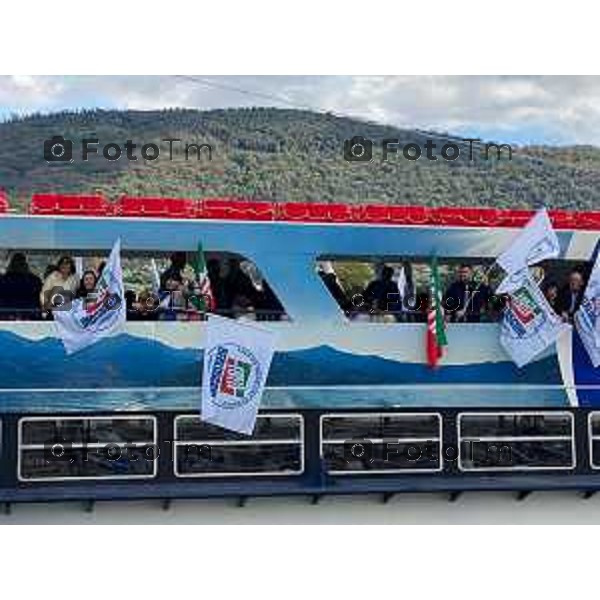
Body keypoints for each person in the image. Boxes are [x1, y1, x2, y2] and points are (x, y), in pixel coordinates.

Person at [0, 253, 43, 320]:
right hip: (7, 314)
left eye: (20, 263)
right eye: (17, 263)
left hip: (28, 315)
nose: (18, 266)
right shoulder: (34, 280)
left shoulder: (34, 280)